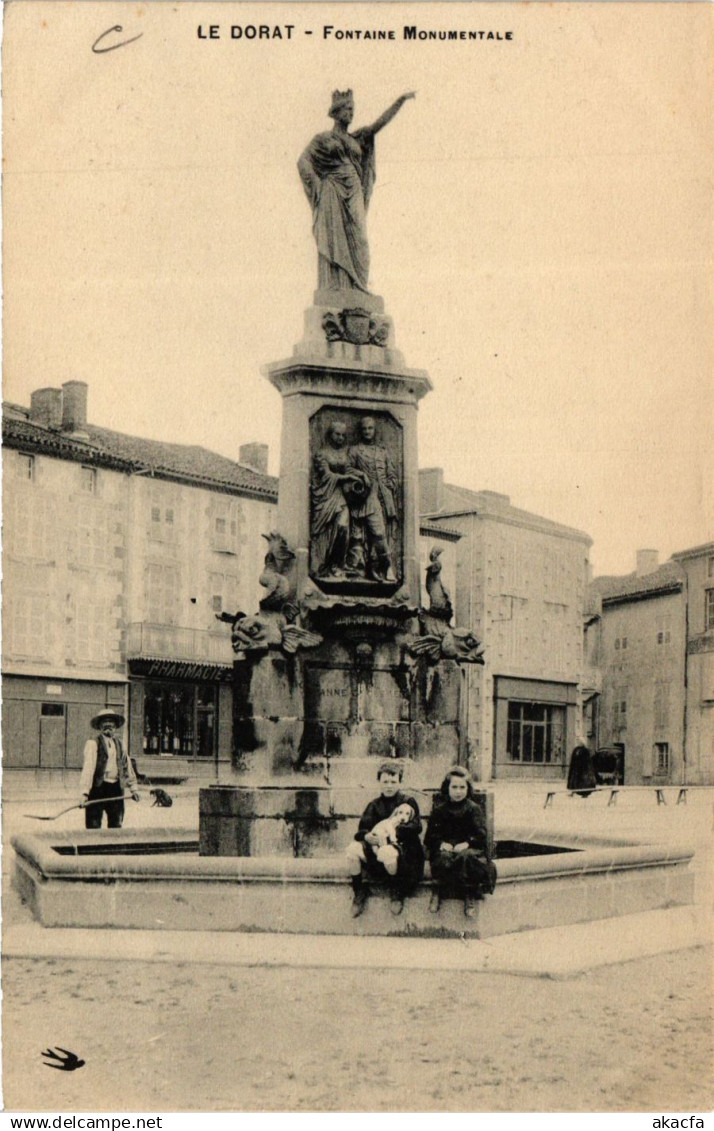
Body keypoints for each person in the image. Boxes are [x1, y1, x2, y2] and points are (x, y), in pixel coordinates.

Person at [298, 89, 416, 293]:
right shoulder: (323, 139)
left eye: (353, 109)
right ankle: (337, 287)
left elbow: (379, 124)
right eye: (347, 109)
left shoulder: (358, 137)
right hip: (332, 191)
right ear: (336, 112)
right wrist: (317, 184)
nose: (351, 113)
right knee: (334, 237)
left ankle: (358, 287)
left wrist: (400, 101)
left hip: (354, 191)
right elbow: (303, 162)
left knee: (360, 240)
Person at [346, 761, 425, 917]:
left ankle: (397, 890)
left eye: (393, 782)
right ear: (379, 782)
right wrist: (367, 836)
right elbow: (362, 829)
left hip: (404, 850)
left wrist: (389, 835)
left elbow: (416, 826)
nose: (389, 786)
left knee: (388, 852)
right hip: (377, 848)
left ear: (400, 782)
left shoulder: (408, 802)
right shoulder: (374, 805)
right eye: (385, 782)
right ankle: (359, 890)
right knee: (352, 850)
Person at [425, 766, 496, 918]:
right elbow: (430, 836)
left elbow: (481, 835)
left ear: (468, 788)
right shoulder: (440, 810)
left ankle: (469, 895)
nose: (458, 791)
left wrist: (467, 843)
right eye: (454, 787)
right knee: (442, 858)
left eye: (462, 787)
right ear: (447, 788)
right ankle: (437, 891)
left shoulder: (473, 809)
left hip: (469, 847)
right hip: (447, 848)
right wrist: (441, 844)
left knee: (466, 858)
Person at [310, 420, 367, 578]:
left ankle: (338, 564)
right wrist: (346, 477)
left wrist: (360, 475)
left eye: (343, 435)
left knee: (343, 526)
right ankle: (322, 564)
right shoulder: (322, 454)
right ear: (330, 435)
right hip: (325, 496)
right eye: (337, 434)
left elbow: (350, 468)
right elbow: (326, 475)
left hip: (340, 496)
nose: (340, 438)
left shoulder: (345, 453)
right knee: (323, 532)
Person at [346, 416, 399, 582]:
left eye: (370, 428)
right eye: (364, 429)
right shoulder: (355, 450)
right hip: (363, 497)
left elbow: (392, 476)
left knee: (380, 534)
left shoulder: (382, 452)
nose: (367, 432)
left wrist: (389, 484)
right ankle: (362, 568)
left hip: (382, 498)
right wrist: (361, 475)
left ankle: (383, 567)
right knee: (361, 535)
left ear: (374, 430)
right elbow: (347, 469)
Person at [79, 708, 140, 828]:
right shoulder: (93, 743)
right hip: (98, 788)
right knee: (93, 824)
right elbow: (88, 769)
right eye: (105, 722)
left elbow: (127, 767)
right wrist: (84, 793)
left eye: (111, 722)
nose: (108, 725)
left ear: (115, 726)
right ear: (99, 726)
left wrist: (134, 789)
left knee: (116, 823)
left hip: (116, 788)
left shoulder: (120, 744)